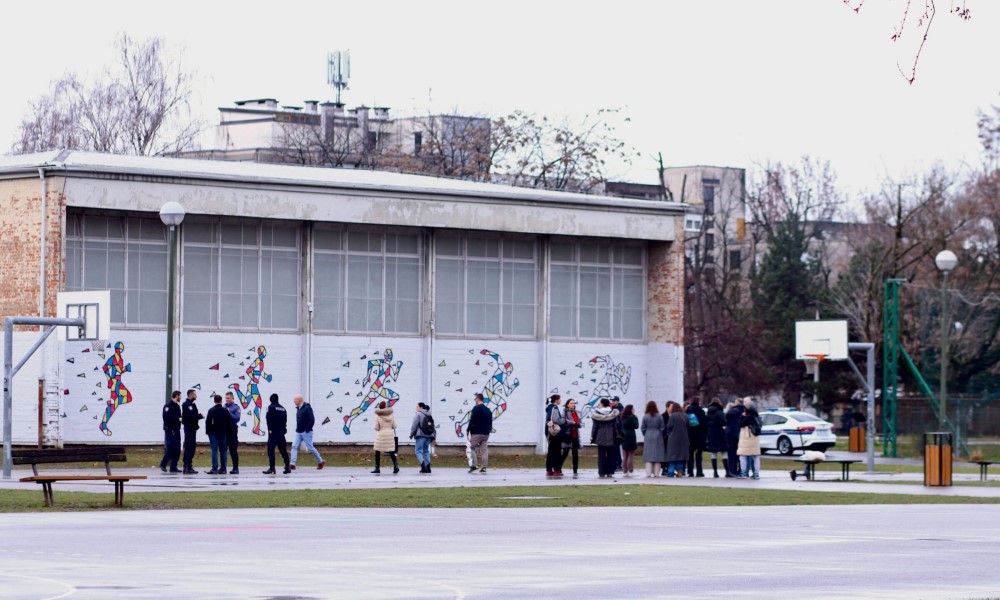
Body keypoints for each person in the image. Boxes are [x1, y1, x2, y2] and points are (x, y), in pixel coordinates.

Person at [290, 394, 325, 470]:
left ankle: (320, 461)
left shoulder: (307, 408)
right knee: (294, 446)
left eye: (295, 399)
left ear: (299, 400)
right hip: (298, 432)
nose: (294, 401)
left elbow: (312, 419)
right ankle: (292, 464)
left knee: (310, 448)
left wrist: (307, 430)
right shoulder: (298, 408)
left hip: (306, 432)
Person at [590, 398, 620, 478]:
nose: (599, 405)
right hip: (611, 435)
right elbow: (616, 425)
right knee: (611, 455)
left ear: (602, 404)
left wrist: (592, 435)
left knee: (601, 456)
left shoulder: (596, 414)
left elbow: (595, 427)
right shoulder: (613, 413)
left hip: (600, 435)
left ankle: (602, 472)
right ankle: (610, 471)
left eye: (600, 403)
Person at [263, 393, 291, 474]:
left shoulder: (271, 407)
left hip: (273, 432)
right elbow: (285, 420)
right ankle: (287, 467)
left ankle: (272, 468)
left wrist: (270, 429)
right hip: (281, 433)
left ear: (271, 400)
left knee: (271, 450)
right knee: (283, 450)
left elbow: (269, 418)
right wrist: (284, 429)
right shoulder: (283, 408)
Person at [467, 393, 492, 473]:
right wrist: (488, 431)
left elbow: (472, 420)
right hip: (486, 433)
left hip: (477, 433)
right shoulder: (488, 410)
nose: (475, 400)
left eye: (475, 399)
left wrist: (468, 429)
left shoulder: (476, 408)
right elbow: (490, 422)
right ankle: (484, 467)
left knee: (471, 447)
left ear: (478, 399)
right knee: (484, 450)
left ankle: (474, 465)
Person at [372, 400, 399, 474]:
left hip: (381, 434)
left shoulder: (378, 416)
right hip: (390, 434)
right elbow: (394, 426)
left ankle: (377, 468)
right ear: (386, 407)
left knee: (377, 450)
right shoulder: (391, 415)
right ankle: (396, 466)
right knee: (391, 451)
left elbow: (376, 428)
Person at [738, 398, 762, 480]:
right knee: (756, 456)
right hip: (755, 439)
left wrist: (742, 416)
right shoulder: (756, 416)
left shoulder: (748, 417)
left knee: (742, 455)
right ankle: (756, 473)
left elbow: (740, 424)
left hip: (746, 438)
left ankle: (743, 473)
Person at [205, 394, 229, 475]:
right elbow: (228, 422)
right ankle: (223, 468)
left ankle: (214, 468)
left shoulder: (211, 410)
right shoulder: (225, 410)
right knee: (223, 451)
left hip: (213, 433)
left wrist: (208, 432)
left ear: (214, 401)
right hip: (223, 433)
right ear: (221, 401)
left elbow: (208, 422)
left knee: (214, 450)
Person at [640, 401, 666, 477]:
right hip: (658, 436)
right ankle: (656, 473)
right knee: (658, 455)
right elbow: (662, 428)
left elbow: (643, 428)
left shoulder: (645, 416)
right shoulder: (660, 417)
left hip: (648, 436)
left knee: (648, 455)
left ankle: (648, 473)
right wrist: (659, 433)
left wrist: (646, 434)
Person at [664, 402, 690, 477]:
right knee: (680, 457)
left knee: (672, 457)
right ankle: (680, 472)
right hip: (683, 439)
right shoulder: (685, 415)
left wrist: (668, 434)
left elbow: (669, 427)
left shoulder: (672, 416)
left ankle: (671, 472)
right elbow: (688, 427)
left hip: (673, 439)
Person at [704, 397, 728, 478]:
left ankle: (715, 472)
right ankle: (727, 471)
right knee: (724, 452)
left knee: (713, 453)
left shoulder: (708, 412)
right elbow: (723, 422)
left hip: (711, 433)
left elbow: (706, 423)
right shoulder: (719, 412)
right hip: (719, 433)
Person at [181, 389, 203, 475]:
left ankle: (187, 465)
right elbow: (191, 416)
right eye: (194, 394)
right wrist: (200, 416)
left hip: (192, 428)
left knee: (190, 447)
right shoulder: (188, 405)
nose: (196, 396)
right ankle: (187, 466)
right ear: (190, 395)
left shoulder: (191, 404)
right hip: (189, 428)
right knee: (190, 447)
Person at [159, 390, 182, 473]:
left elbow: (179, 416)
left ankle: (173, 466)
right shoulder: (168, 405)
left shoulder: (177, 406)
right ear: (176, 396)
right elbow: (166, 417)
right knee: (171, 448)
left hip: (177, 429)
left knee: (177, 449)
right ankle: (163, 463)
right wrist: (177, 419)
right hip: (170, 429)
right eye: (180, 396)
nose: (180, 398)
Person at [409, 402, 435, 473]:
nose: (416, 408)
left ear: (421, 407)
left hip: (421, 435)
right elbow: (433, 426)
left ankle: (423, 466)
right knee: (426, 450)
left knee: (418, 451)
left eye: (417, 406)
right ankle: (428, 467)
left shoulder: (418, 414)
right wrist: (434, 436)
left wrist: (411, 434)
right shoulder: (429, 414)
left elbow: (414, 425)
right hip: (429, 435)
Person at [559, 399, 583, 476]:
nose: (572, 404)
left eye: (573, 403)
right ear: (567, 404)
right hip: (567, 435)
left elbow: (579, 422)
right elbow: (562, 422)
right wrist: (571, 423)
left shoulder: (576, 412)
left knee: (575, 454)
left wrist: (578, 424)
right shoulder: (565, 412)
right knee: (565, 453)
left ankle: (575, 470)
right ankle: (558, 467)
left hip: (575, 435)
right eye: (571, 403)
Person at [545, 395, 566, 476]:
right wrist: (564, 420)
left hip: (549, 432)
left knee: (550, 451)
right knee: (557, 451)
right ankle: (556, 470)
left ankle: (549, 470)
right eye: (559, 399)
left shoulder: (549, 408)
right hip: (555, 432)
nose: (560, 400)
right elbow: (556, 420)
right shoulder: (555, 408)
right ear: (556, 400)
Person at [686, 397, 707, 477]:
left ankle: (690, 471)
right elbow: (704, 424)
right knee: (699, 454)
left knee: (690, 454)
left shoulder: (687, 410)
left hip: (690, 434)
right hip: (699, 435)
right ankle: (699, 471)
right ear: (698, 402)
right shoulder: (700, 411)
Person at [725, 398, 745, 477]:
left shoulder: (732, 411)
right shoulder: (744, 411)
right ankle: (740, 470)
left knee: (731, 453)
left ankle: (732, 470)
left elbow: (726, 418)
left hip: (731, 433)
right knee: (740, 453)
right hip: (741, 433)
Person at [620, 404, 639, 476]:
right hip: (631, 436)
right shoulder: (631, 417)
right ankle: (630, 470)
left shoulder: (623, 417)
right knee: (630, 454)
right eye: (633, 409)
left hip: (623, 436)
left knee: (625, 455)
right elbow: (636, 426)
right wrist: (635, 416)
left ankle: (625, 471)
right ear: (630, 410)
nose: (634, 410)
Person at [224, 391, 241, 474]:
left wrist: (229, 413)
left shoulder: (236, 407)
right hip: (224, 430)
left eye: (228, 398)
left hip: (232, 430)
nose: (227, 400)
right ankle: (223, 467)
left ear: (232, 398)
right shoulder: (223, 407)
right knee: (223, 450)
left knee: (233, 450)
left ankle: (235, 468)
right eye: (226, 398)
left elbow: (237, 418)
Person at [610, 396, 624, 472]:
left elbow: (621, 421)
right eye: (612, 401)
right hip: (612, 432)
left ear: (618, 401)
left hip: (619, 432)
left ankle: (619, 464)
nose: (613, 402)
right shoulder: (611, 409)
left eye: (614, 401)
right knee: (614, 449)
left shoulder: (621, 410)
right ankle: (615, 464)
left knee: (618, 449)